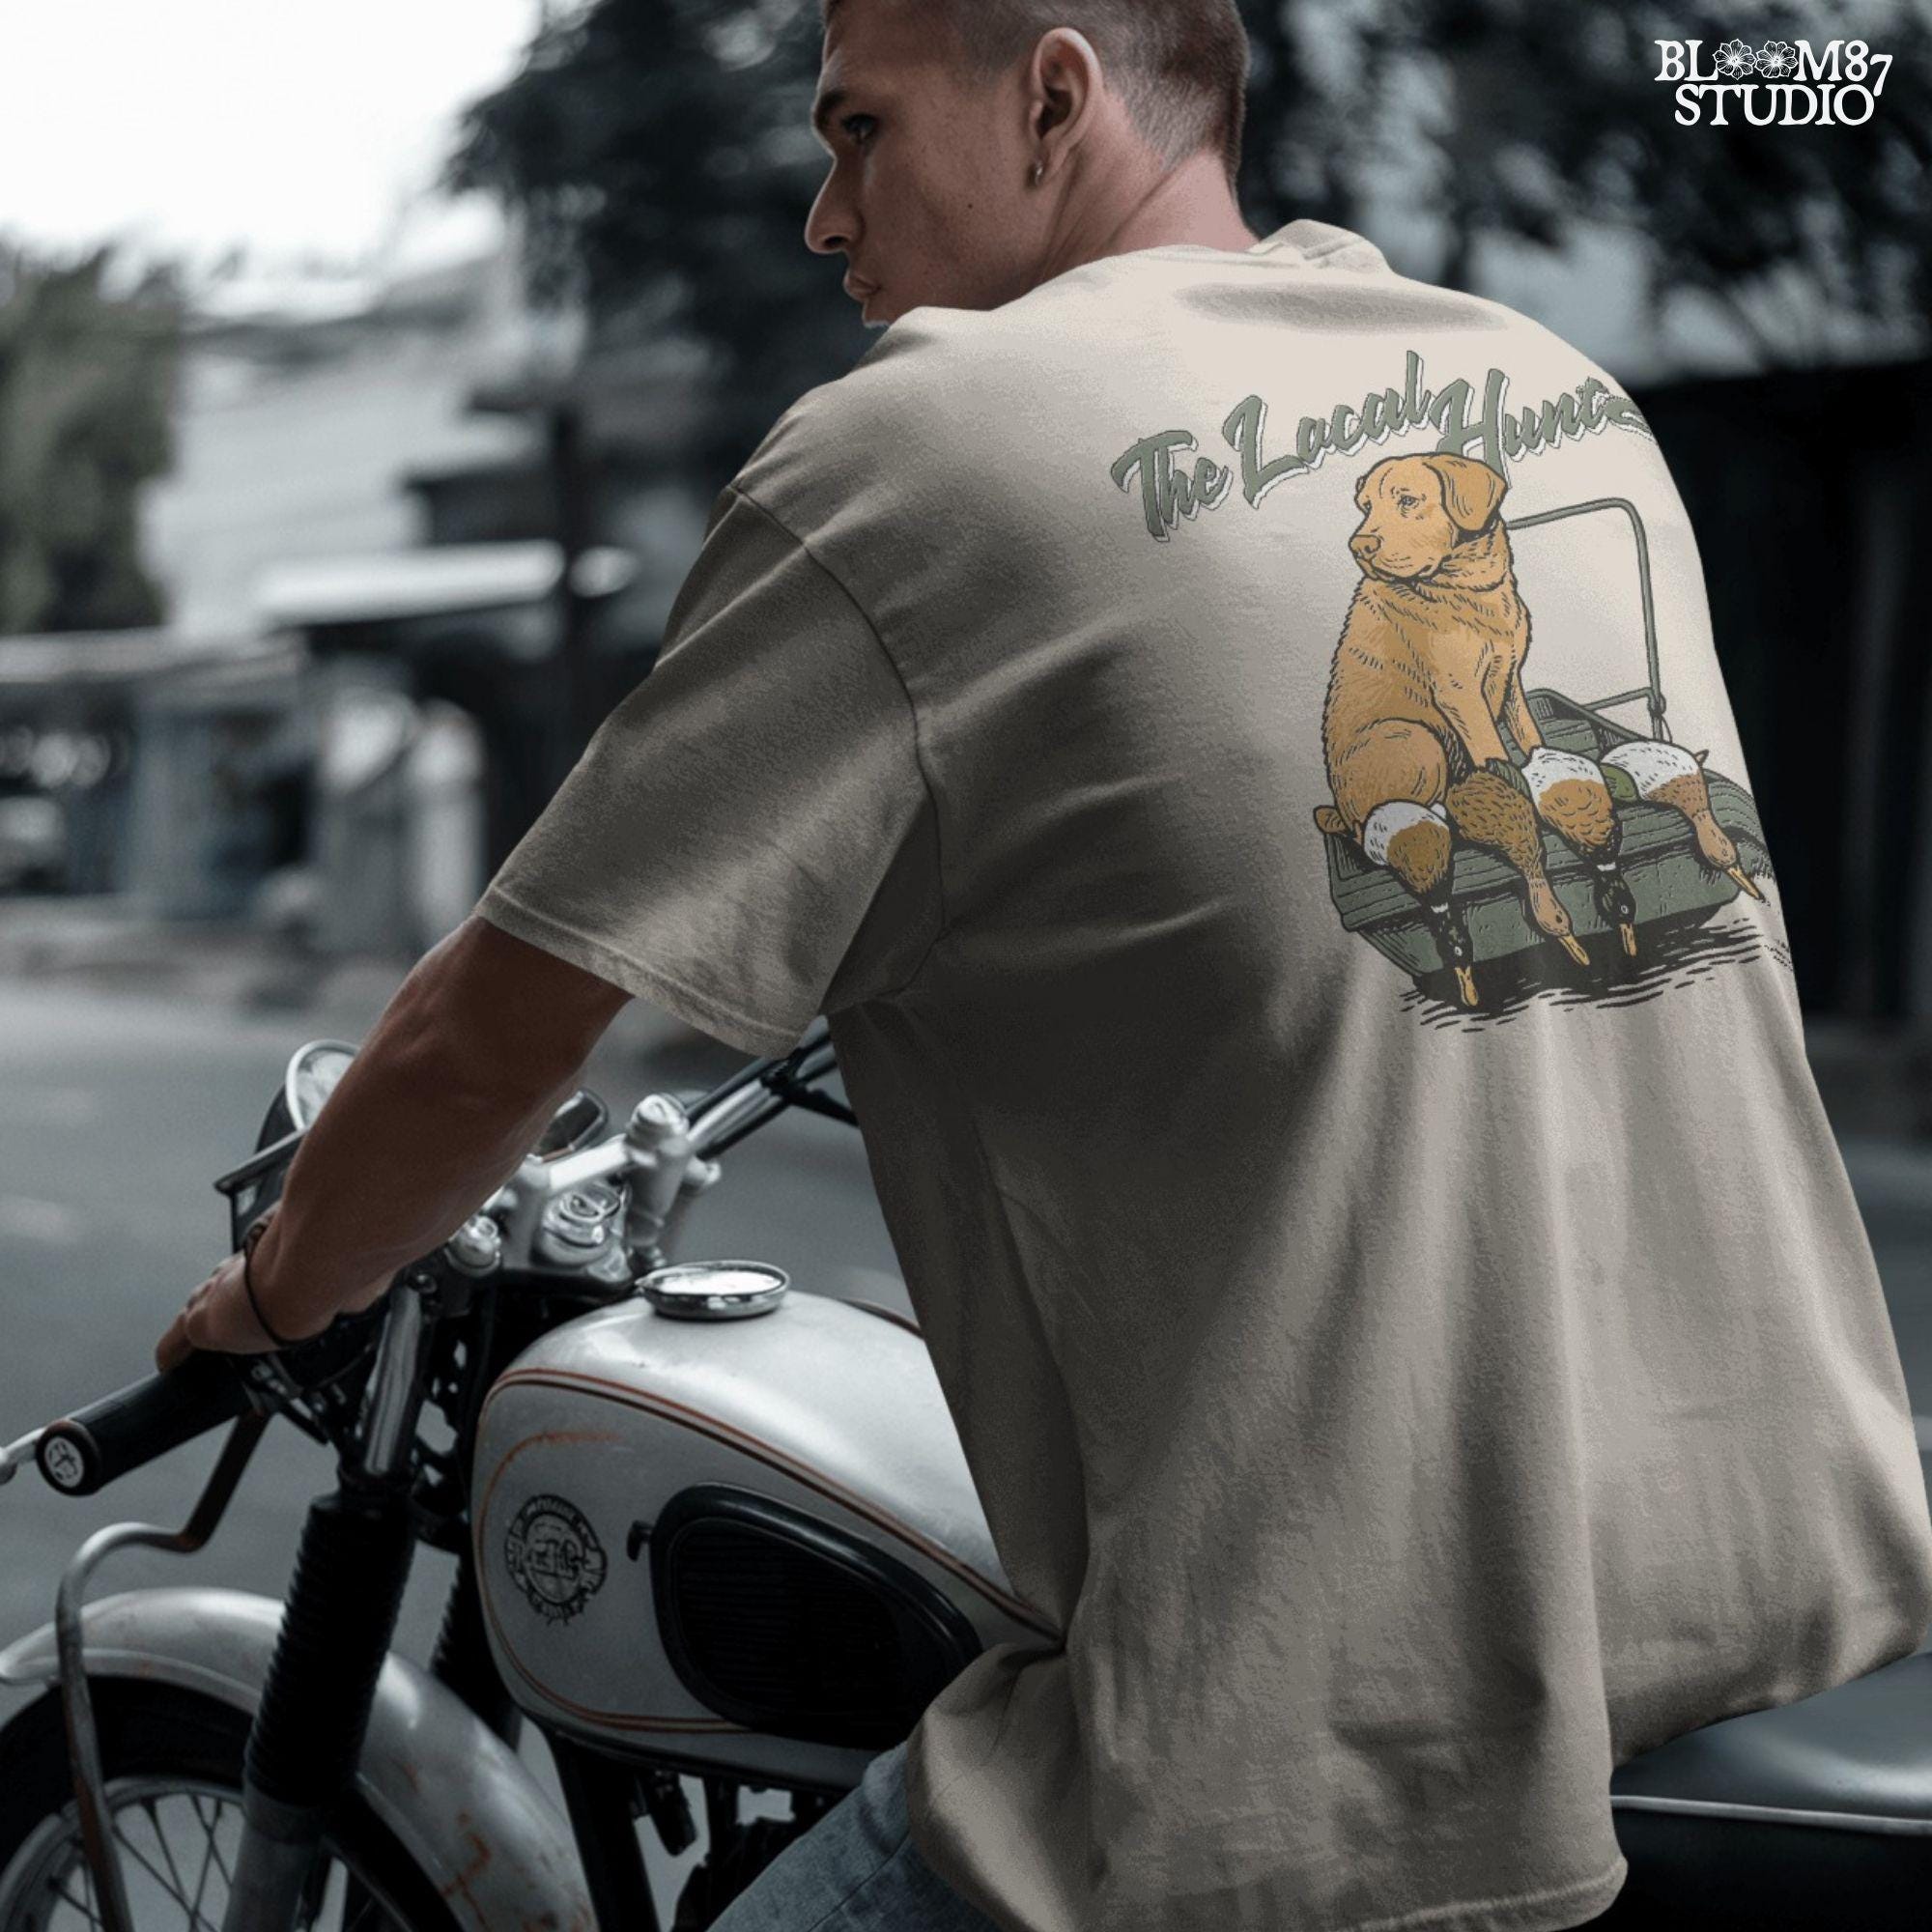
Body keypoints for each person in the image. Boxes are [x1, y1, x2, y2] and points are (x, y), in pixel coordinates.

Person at [156, 1, 1932, 1929]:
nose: (829, 220)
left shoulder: (915, 452)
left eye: (856, 133)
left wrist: (275, 1291)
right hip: (1774, 1578)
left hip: (1340, 1742)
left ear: (1052, 96)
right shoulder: (1544, 390)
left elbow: (481, 1042)